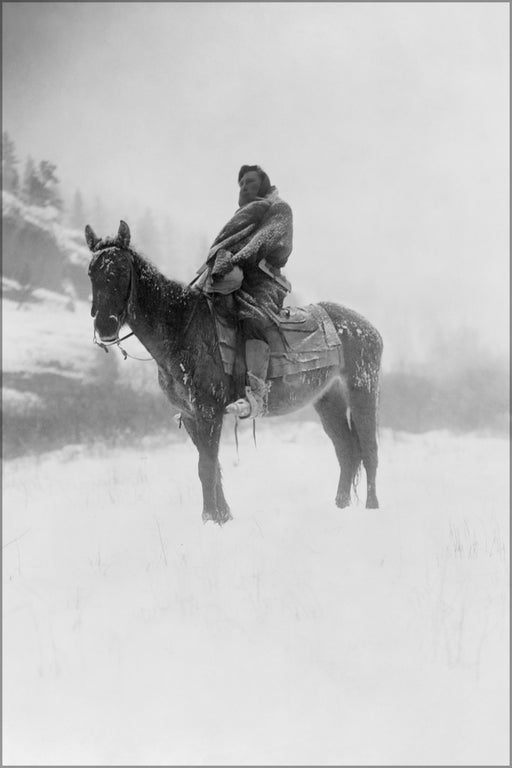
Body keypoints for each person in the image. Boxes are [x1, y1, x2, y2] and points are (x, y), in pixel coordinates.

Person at [195, 165, 293, 417]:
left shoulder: (279, 209)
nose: (244, 186)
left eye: (250, 181)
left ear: (263, 183)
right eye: (240, 184)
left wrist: (232, 260)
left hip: (264, 281)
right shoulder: (243, 216)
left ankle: (255, 394)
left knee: (252, 316)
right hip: (236, 278)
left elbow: (264, 243)